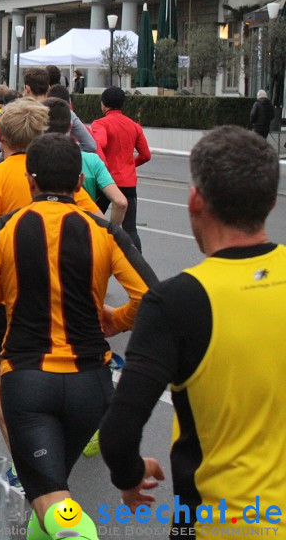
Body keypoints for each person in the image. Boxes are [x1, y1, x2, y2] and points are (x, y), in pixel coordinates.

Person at [0, 133, 156, 540]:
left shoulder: (8, 227)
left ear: (31, 182)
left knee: (50, 495)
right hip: (91, 383)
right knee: (46, 490)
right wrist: (115, 321)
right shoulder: (103, 230)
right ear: (80, 183)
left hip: (28, 382)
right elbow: (152, 298)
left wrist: (8, 290)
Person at [100, 127, 284, 534]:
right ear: (271, 202)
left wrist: (130, 476)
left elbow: (117, 432)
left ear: (195, 200)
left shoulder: (177, 302)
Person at [0, 99, 103, 489]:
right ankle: (56, 456)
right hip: (68, 292)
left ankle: (27, 466)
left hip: (11, 296)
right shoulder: (58, 175)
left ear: (0, 136)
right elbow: (97, 223)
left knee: (4, 378)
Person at [43, 98, 127, 226]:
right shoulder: (92, 161)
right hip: (85, 232)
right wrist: (111, 233)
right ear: (71, 126)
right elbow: (121, 202)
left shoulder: (34, 160)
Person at [91, 87, 151, 252]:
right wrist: (130, 163)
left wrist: (102, 166)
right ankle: (137, 265)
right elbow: (145, 155)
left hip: (106, 181)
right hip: (128, 182)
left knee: (92, 220)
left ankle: (97, 254)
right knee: (130, 229)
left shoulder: (100, 123)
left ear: (103, 105)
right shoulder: (134, 126)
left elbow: (99, 144)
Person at [23, 68, 97, 153]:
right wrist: (67, 150)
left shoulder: (22, 113)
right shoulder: (65, 111)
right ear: (49, 87)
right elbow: (90, 145)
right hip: (62, 161)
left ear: (27, 88)